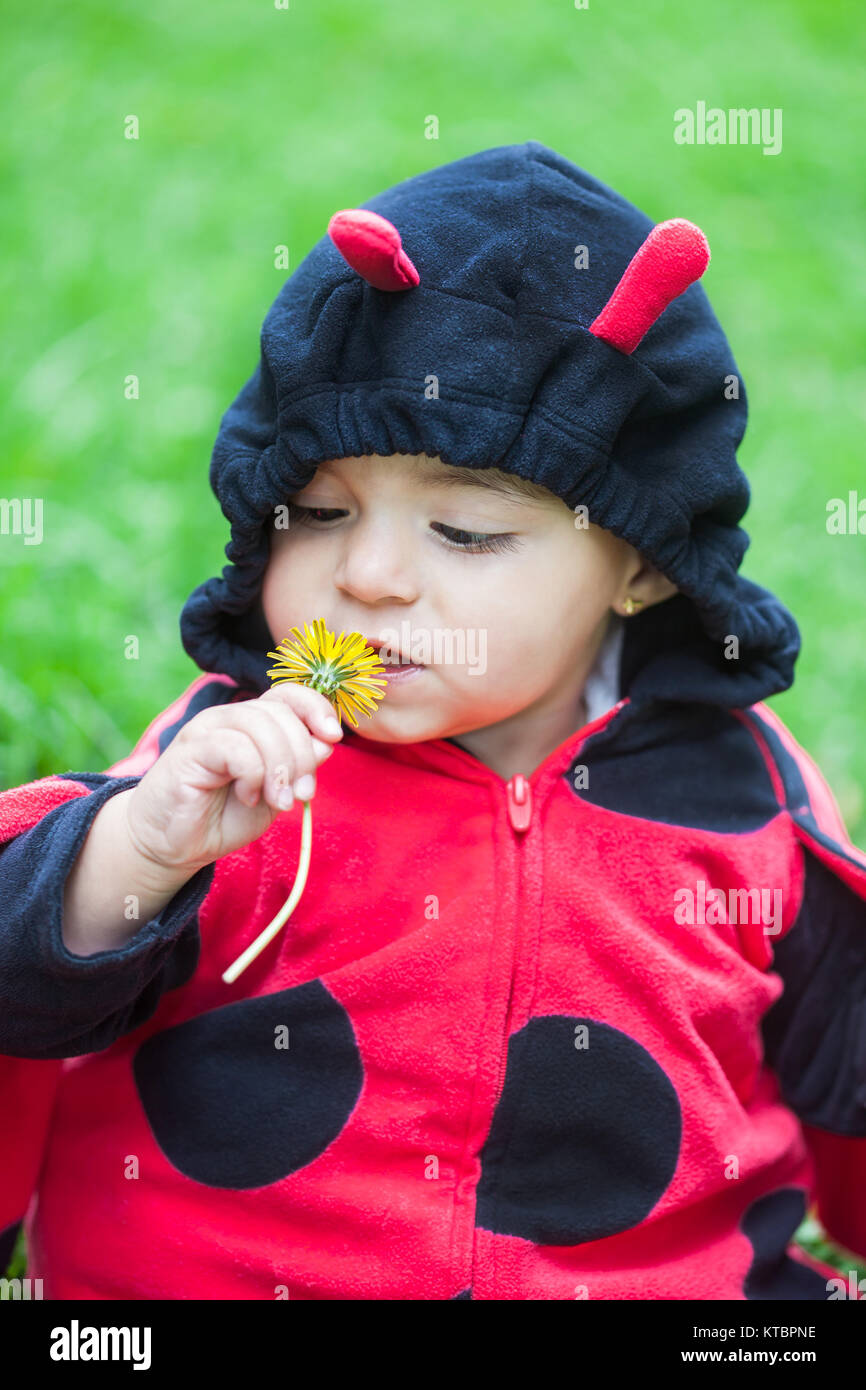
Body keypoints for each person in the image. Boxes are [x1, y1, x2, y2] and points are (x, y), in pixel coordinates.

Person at [1, 140, 865, 1301]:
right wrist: (136, 854)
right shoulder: (227, 769)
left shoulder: (745, 804)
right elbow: (23, 980)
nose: (365, 575)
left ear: (643, 566)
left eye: (463, 533)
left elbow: (840, 1069)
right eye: (315, 511)